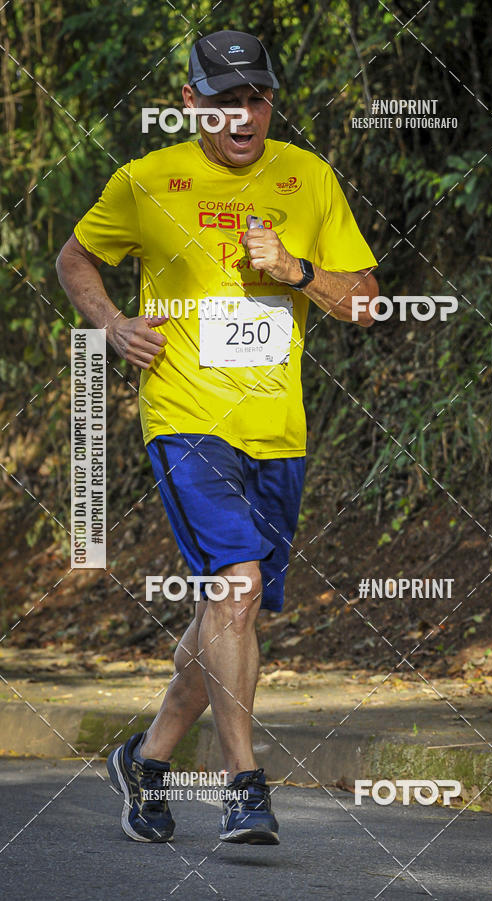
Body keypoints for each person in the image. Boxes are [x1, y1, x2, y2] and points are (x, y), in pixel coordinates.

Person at [56, 29, 379, 846]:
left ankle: (148, 756)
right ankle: (243, 784)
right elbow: (74, 260)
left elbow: (368, 301)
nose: (245, 114)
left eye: (258, 97)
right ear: (192, 103)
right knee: (234, 590)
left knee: (229, 617)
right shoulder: (144, 181)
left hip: (279, 432)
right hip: (185, 418)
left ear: (272, 100)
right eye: (226, 99)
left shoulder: (309, 178)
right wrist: (114, 325)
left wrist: (298, 271)